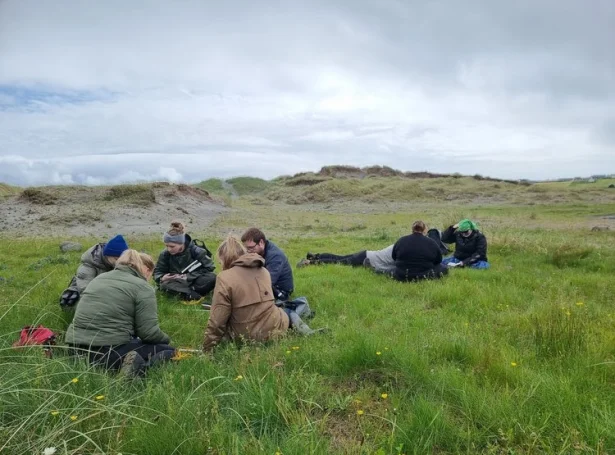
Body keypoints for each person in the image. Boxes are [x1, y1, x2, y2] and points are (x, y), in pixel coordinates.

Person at [65, 249, 175, 377]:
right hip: (107, 352)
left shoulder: (99, 278)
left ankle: (127, 365)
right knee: (169, 352)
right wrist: (166, 340)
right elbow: (148, 333)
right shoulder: (142, 287)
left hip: (75, 351)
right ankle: (138, 371)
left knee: (135, 343)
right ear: (146, 269)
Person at [202, 236, 290, 353]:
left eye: (220, 262)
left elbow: (217, 322)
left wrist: (207, 348)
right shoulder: (263, 270)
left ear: (225, 259)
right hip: (275, 328)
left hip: (246, 336)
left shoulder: (224, 278)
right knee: (285, 310)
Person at [59, 234, 129, 309]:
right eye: (116, 259)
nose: (119, 262)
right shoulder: (88, 266)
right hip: (87, 292)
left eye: (122, 258)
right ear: (107, 255)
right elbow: (86, 290)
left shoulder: (123, 262)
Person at [154, 221, 216, 301]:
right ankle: (193, 294)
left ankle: (187, 294)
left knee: (212, 277)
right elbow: (157, 272)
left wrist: (188, 276)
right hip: (176, 283)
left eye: (172, 246)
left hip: (195, 280)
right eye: (167, 246)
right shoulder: (165, 254)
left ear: (181, 243)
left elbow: (209, 268)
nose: (169, 249)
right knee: (164, 285)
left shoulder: (197, 251)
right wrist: (162, 278)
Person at [241, 228, 293, 301]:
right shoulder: (259, 251)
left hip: (280, 291)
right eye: (246, 248)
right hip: (269, 285)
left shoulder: (275, 256)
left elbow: (268, 281)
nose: (248, 251)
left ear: (261, 242)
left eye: (251, 248)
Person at [297, 245, 396, 275]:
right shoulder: (402, 247)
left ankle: (315, 256)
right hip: (366, 258)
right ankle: (309, 262)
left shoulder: (398, 245)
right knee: (339, 262)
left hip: (366, 254)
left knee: (339, 258)